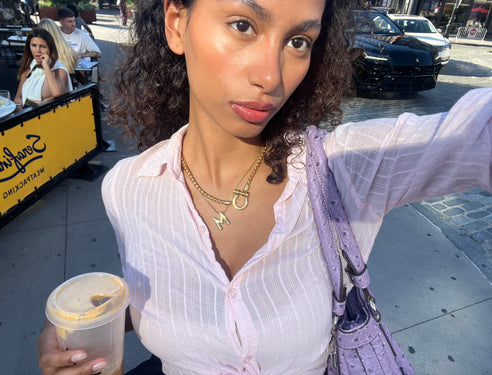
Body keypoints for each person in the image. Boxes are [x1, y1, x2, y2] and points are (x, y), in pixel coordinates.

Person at [37, 0, 492, 374]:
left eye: (298, 42)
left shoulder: (343, 170)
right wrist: (83, 332)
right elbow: (153, 298)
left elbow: (474, 133)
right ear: (177, 24)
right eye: (243, 25)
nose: (272, 78)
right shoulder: (126, 189)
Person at [14, 28, 73, 107]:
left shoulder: (58, 70)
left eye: (42, 46)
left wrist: (46, 66)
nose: (38, 50)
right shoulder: (29, 69)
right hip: (27, 114)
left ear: (50, 48)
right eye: (34, 45)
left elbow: (57, 92)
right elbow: (18, 98)